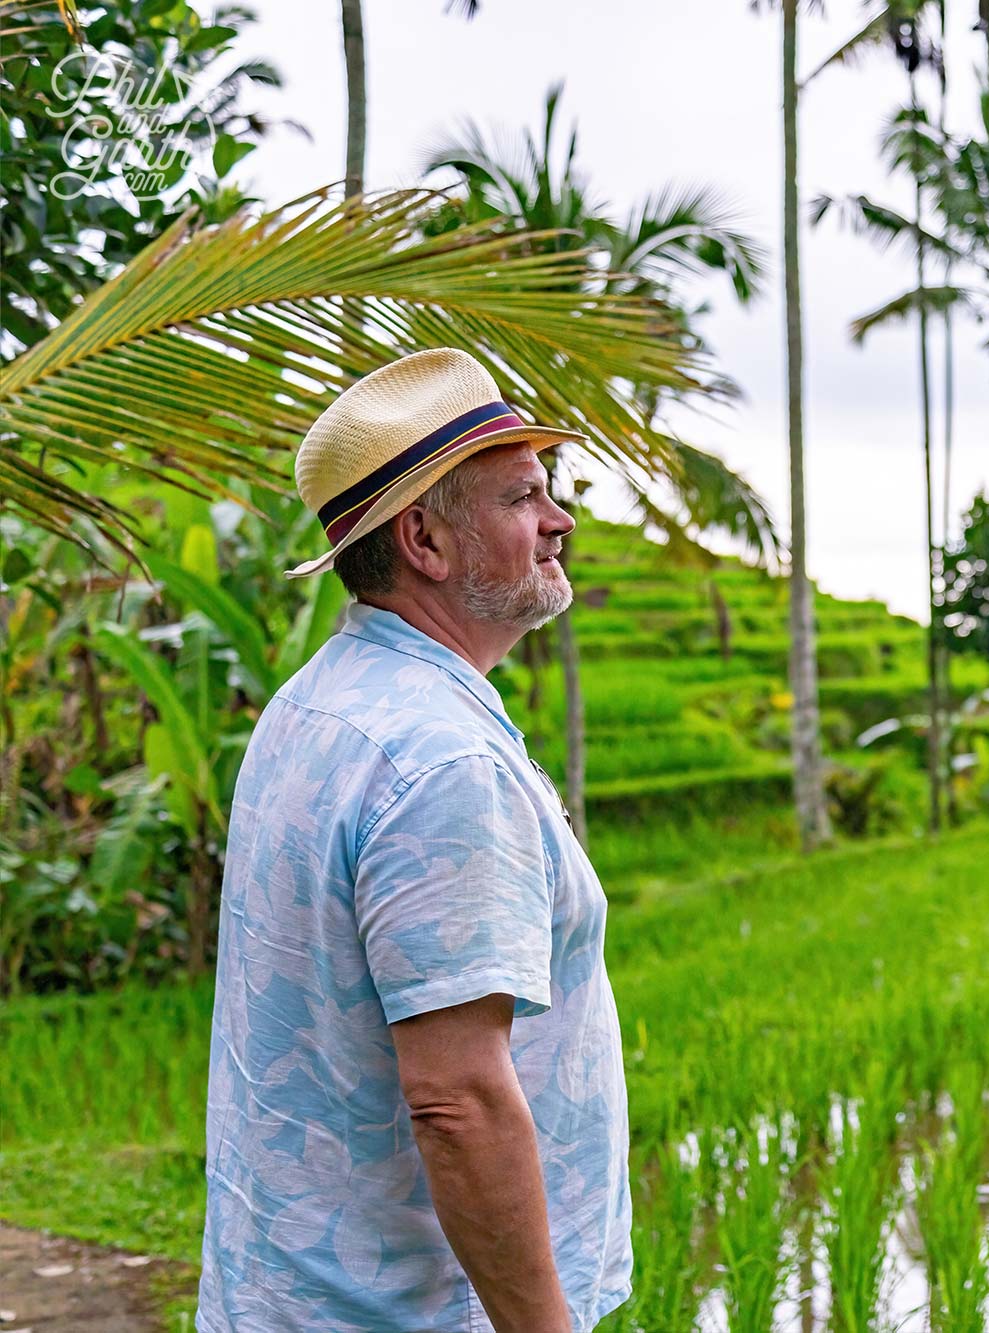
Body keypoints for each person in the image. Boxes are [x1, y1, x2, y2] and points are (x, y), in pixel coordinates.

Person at [196, 348, 630, 1333]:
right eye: (525, 497)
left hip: (288, 1299)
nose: (560, 522)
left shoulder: (317, 702)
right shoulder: (441, 763)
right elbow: (457, 1101)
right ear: (425, 540)